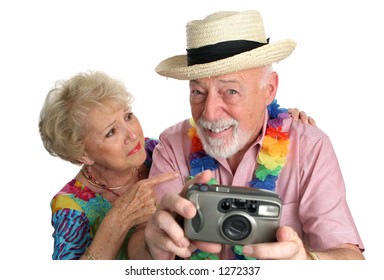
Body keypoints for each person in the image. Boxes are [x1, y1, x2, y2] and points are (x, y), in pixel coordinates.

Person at [143, 10, 365, 260]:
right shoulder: (172, 145)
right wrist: (152, 248)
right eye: (197, 92)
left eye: (231, 91)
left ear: (269, 89)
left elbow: (351, 260)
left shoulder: (310, 147)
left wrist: (307, 264)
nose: (210, 113)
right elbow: (145, 249)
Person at [39, 71, 179, 260]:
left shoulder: (156, 150)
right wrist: (118, 219)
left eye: (128, 116)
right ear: (83, 155)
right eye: (111, 132)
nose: (132, 135)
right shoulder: (70, 208)